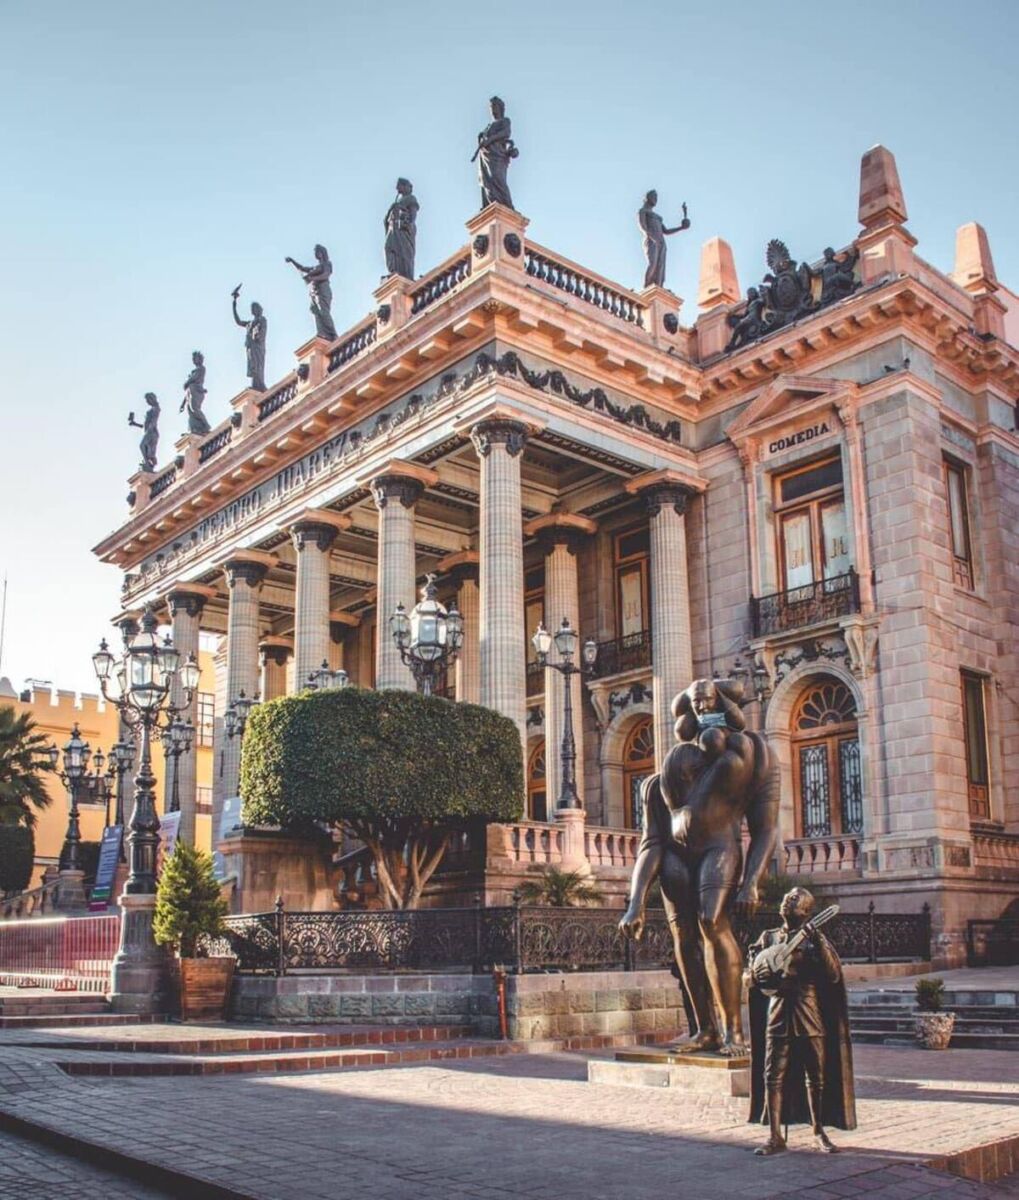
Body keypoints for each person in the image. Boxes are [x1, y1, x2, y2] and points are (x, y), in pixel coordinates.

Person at [620, 678, 779, 1057]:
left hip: (719, 848)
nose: (704, 708)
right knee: (685, 940)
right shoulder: (662, 777)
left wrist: (751, 882)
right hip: (675, 858)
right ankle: (705, 1030)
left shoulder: (754, 754)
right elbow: (652, 843)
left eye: (709, 700)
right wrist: (635, 901)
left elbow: (766, 829)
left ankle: (733, 1032)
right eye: (697, 703)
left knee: (712, 922)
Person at [746, 887, 856, 1156]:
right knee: (773, 1075)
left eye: (794, 899)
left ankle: (818, 1129)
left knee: (816, 1076)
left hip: (808, 1010)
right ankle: (774, 1136)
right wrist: (752, 976)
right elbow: (750, 974)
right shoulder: (768, 937)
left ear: (806, 911)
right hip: (778, 1010)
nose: (787, 900)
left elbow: (832, 975)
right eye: (786, 897)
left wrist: (818, 943)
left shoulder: (814, 939)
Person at [638, 190, 691, 289]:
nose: (656, 199)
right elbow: (642, 227)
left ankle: (659, 287)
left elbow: (666, 231)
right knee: (652, 263)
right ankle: (646, 287)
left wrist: (681, 227)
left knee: (660, 266)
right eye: (653, 196)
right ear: (647, 198)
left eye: (656, 197)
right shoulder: (643, 211)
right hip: (651, 240)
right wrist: (651, 237)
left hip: (661, 242)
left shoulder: (658, 217)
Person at [286, 244, 337, 342]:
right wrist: (292, 261)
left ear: (321, 253)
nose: (315, 254)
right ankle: (322, 332)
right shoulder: (316, 267)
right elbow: (302, 268)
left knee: (324, 312)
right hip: (314, 292)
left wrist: (311, 278)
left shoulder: (327, 264)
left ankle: (333, 334)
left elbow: (325, 275)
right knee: (314, 310)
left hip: (323, 290)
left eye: (316, 251)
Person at [474, 96, 518, 210]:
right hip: (485, 155)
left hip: (497, 155)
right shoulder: (487, 127)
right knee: (486, 182)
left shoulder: (505, 121)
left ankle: (507, 206)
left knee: (497, 178)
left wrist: (490, 139)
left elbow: (505, 133)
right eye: (490, 107)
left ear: (500, 108)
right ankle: (489, 204)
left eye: (494, 106)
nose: (492, 109)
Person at [231, 286, 267, 391]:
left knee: (258, 365)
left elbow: (262, 332)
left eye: (256, 308)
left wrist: (257, 337)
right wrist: (234, 305)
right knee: (253, 366)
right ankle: (256, 385)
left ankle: (259, 385)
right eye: (253, 309)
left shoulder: (262, 319)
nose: (255, 310)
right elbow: (238, 321)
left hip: (258, 346)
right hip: (251, 347)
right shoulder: (249, 323)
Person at [384, 179, 419, 280]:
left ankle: (403, 274)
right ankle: (393, 270)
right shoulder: (397, 201)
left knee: (404, 251)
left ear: (405, 186)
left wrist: (408, 224)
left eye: (399, 186)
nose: (397, 189)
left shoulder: (411, 199)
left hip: (402, 229)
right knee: (388, 248)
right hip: (392, 229)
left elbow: (413, 215)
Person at [128, 392, 160, 472]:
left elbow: (154, 421)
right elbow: (144, 426)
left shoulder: (155, 408)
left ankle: (147, 463)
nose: (147, 402)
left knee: (143, 446)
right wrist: (134, 423)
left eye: (148, 399)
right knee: (146, 449)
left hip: (152, 432)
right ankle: (148, 464)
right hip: (149, 431)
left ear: (152, 399)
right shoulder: (152, 409)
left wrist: (149, 430)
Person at [180, 351, 210, 436]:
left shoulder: (201, 369)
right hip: (191, 391)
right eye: (193, 359)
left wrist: (187, 382)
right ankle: (194, 428)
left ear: (200, 359)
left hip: (197, 391)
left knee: (194, 409)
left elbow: (193, 378)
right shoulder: (195, 371)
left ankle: (206, 425)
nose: (194, 360)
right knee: (190, 411)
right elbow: (187, 392)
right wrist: (182, 404)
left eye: (195, 358)